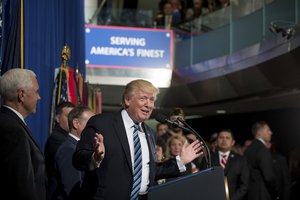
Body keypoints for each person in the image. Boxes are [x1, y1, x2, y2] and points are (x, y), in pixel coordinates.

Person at [73, 79, 204, 200]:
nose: (149, 105)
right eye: (143, 99)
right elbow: (78, 159)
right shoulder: (102, 123)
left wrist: (180, 161)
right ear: (127, 100)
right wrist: (95, 157)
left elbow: (150, 171)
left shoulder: (149, 133)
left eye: (152, 100)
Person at [0, 68, 46, 200]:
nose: (39, 97)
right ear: (21, 95)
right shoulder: (13, 130)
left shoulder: (7, 122)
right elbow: (21, 185)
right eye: (36, 92)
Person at [55, 106, 95, 200]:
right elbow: (72, 187)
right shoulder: (68, 149)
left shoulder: (77, 147)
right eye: (90, 124)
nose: (94, 129)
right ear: (76, 123)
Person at [45, 101, 75, 200]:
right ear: (57, 118)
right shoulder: (57, 140)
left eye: (73, 117)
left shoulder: (68, 138)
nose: (71, 120)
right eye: (68, 116)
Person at [244, 121, 279, 200]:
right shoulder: (262, 149)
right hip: (263, 194)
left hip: (251, 194)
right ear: (259, 132)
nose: (271, 133)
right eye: (268, 130)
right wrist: (276, 193)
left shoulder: (248, 149)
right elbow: (269, 177)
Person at [211, 129, 249, 200]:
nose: (224, 140)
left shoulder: (240, 160)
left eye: (227, 138)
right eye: (221, 137)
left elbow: (244, 185)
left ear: (233, 142)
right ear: (216, 141)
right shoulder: (208, 159)